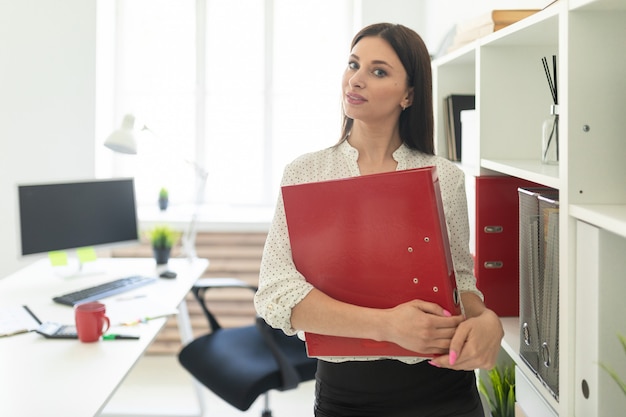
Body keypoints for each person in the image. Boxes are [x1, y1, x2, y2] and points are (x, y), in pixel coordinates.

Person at [254, 22, 504, 417]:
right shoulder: (305, 173)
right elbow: (275, 294)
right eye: (353, 64)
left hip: (444, 389)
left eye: (378, 71)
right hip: (348, 396)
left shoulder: (446, 177)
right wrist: (386, 325)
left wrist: (487, 319)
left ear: (409, 95)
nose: (356, 79)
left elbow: (460, 282)